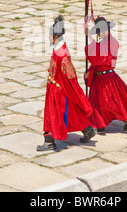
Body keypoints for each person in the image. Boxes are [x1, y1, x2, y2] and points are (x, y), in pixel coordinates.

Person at [37, 15, 96, 151]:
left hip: (58, 89)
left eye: (50, 35)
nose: (48, 38)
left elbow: (70, 77)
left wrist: (74, 93)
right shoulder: (59, 48)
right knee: (71, 112)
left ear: (55, 37)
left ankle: (49, 141)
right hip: (55, 85)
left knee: (52, 114)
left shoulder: (62, 55)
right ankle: (87, 130)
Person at [84, 16, 127, 134]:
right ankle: (100, 124)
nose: (99, 34)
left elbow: (99, 59)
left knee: (110, 104)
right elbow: (95, 63)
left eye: (99, 31)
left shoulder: (113, 42)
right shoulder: (103, 42)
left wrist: (89, 37)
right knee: (96, 103)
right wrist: (89, 72)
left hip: (108, 79)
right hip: (98, 78)